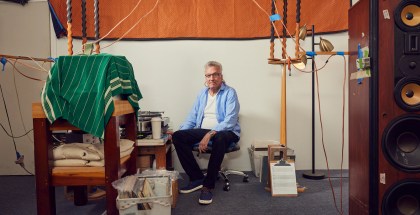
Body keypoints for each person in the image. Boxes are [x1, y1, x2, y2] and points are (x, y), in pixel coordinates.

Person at [172, 61, 240, 205]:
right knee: (178, 136)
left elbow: (230, 121)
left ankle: (208, 186)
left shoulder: (230, 92)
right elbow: (192, 117)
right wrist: (180, 131)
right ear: (205, 77)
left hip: (227, 131)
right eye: (208, 75)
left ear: (221, 76)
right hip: (204, 131)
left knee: (219, 138)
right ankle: (196, 178)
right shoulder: (202, 94)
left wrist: (210, 134)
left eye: (215, 74)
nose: (212, 78)